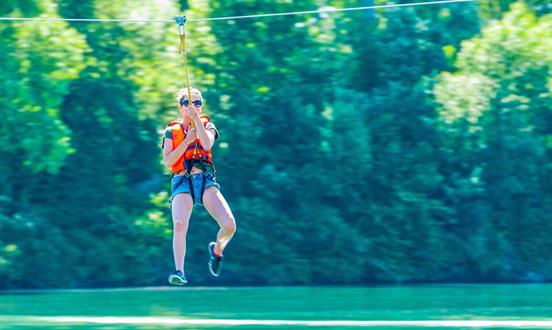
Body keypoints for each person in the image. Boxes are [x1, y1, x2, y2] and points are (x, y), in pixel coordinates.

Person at [162, 87, 236, 285]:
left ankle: (217, 250)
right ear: (180, 107)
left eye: (196, 103)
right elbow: (168, 161)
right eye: (187, 103)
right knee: (179, 223)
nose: (192, 106)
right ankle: (180, 271)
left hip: (204, 180)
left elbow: (207, 144)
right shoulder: (171, 132)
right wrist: (186, 140)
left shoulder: (208, 126)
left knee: (229, 225)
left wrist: (198, 126)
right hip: (182, 180)